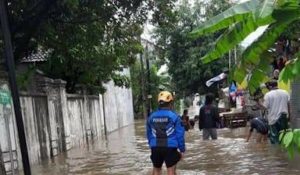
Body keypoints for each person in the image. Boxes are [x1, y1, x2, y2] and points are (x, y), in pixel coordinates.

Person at [146, 91, 185, 175]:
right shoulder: (175, 116)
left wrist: (151, 145)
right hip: (170, 148)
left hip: (155, 147)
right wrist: (182, 150)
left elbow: (149, 134)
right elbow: (180, 135)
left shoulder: (151, 117)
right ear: (170, 103)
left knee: (156, 171)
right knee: (171, 172)